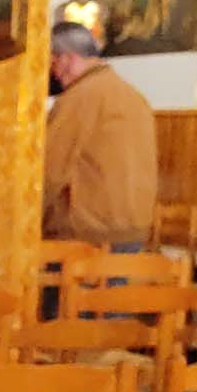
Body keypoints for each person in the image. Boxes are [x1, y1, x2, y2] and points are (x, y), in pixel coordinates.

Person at [41, 21, 156, 252]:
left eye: (53, 62)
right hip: (134, 231)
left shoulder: (78, 98)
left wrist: (17, 220)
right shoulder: (134, 96)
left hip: (87, 236)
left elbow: (48, 170)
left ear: (67, 58)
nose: (53, 73)